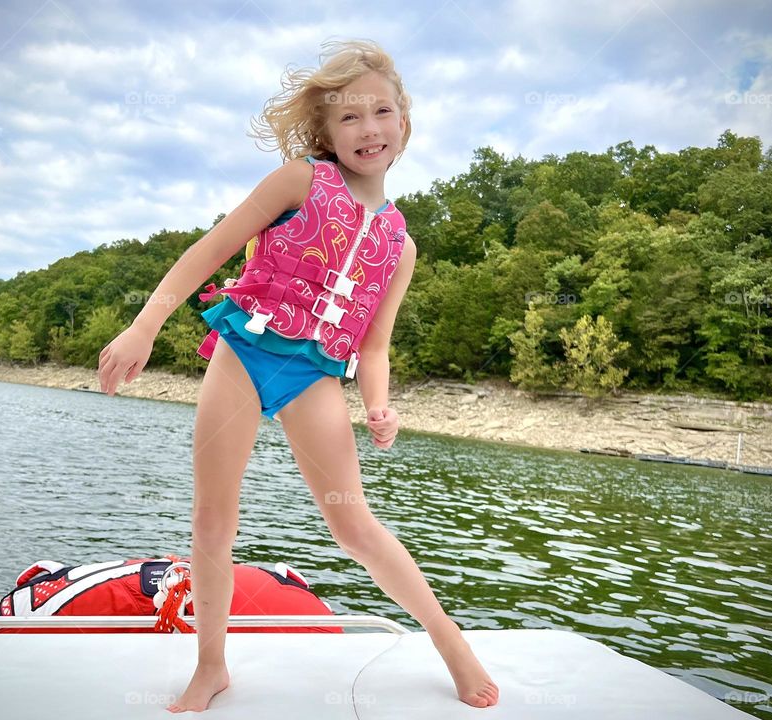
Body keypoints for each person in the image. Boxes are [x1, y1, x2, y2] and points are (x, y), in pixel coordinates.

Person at [96, 38, 499, 713]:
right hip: (246, 352)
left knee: (353, 525)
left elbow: (373, 347)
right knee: (213, 520)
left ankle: (452, 642)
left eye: (381, 112)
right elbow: (210, 248)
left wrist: (379, 404)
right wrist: (144, 325)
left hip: (314, 374)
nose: (367, 129)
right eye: (348, 117)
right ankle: (212, 665)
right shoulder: (300, 181)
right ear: (327, 131)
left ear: (404, 122)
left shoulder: (401, 245)